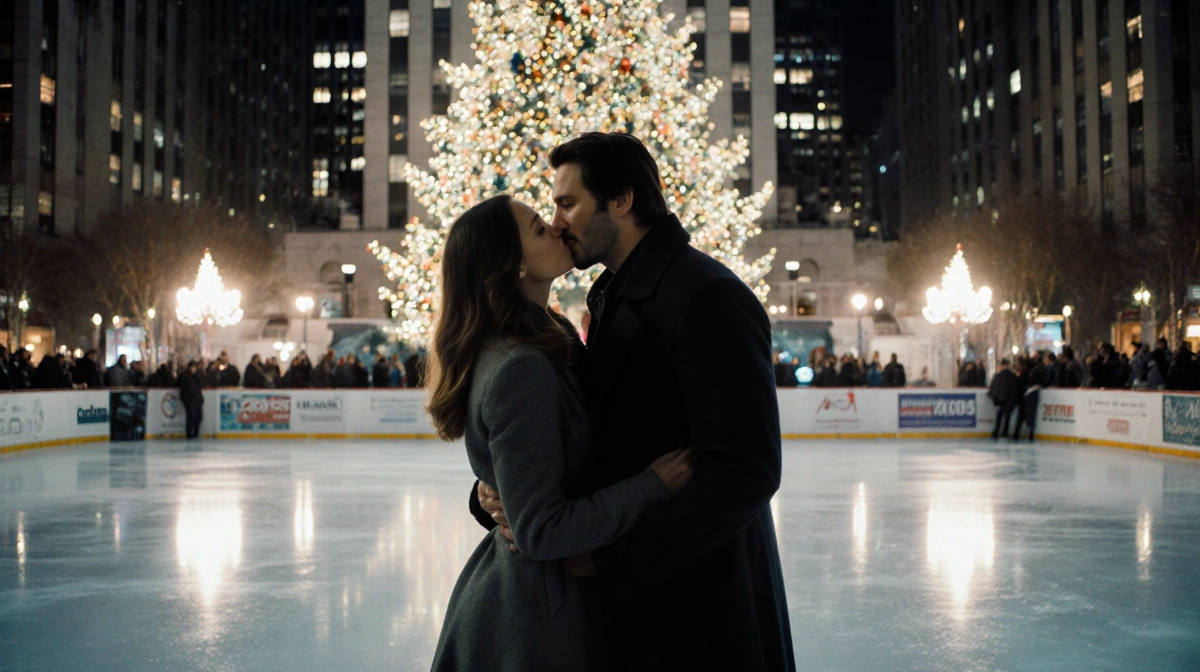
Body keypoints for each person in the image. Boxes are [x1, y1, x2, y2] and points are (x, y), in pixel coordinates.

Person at [475, 133, 794, 671]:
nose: (557, 221)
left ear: (621, 200)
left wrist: (610, 558)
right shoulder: (610, 294)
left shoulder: (708, 296)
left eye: (567, 203)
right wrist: (502, 490)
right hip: (634, 608)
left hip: (702, 609)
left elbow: (747, 472)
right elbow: (589, 433)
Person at [427, 195, 695, 671]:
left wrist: (494, 491)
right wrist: (652, 485)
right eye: (536, 228)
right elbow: (542, 530)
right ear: (512, 267)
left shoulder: (549, 334)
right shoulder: (520, 367)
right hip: (536, 623)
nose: (554, 226)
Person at [988, 359, 1021, 440]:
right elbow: (1017, 389)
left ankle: (996, 432)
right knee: (1007, 416)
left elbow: (994, 389)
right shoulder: (1013, 376)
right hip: (1010, 400)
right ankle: (1005, 432)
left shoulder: (998, 376)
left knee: (999, 416)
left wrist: (995, 398)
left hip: (1001, 400)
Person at [179, 360, 204, 439]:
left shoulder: (197, 376)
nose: (194, 369)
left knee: (199, 417)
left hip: (197, 398)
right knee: (191, 416)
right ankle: (189, 433)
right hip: (189, 399)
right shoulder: (185, 376)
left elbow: (202, 383)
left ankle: (196, 433)